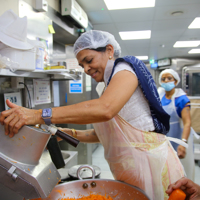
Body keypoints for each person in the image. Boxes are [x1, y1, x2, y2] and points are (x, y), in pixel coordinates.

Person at [0, 30, 185, 200]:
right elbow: (104, 135)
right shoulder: (106, 87)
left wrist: (38, 115)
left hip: (151, 166)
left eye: (89, 60)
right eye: (82, 65)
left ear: (109, 50)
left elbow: (105, 109)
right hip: (129, 169)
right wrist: (68, 133)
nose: (86, 69)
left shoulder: (125, 69)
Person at [157, 69, 196, 181]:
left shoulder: (182, 99)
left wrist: (183, 143)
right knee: (167, 171)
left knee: (182, 171)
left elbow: (187, 123)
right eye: (163, 79)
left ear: (175, 81)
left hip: (180, 138)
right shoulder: (160, 96)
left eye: (169, 78)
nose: (166, 81)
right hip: (165, 139)